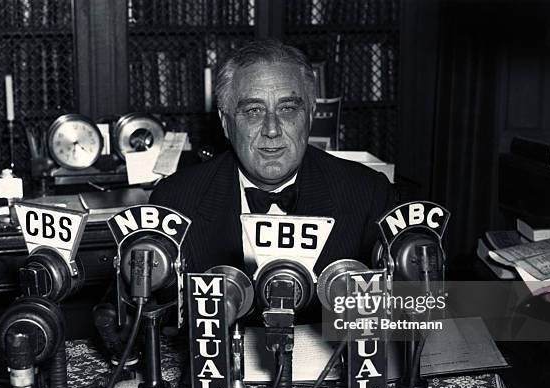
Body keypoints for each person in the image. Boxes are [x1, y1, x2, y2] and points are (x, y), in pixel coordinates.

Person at [149, 39, 396, 277]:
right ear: (226, 123)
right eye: (254, 111)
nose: (272, 129)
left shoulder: (370, 196)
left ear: (310, 116)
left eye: (287, 109)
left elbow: (410, 307)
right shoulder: (175, 203)